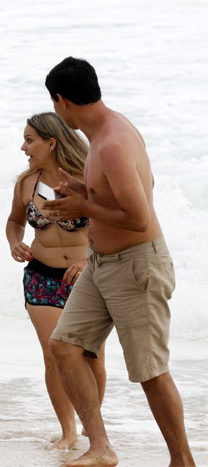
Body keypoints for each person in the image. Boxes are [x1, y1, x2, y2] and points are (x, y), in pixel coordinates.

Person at [43, 57, 195, 466]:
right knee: (65, 346)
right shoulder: (104, 134)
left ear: (62, 101)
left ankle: (183, 460)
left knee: (150, 372)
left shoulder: (111, 142)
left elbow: (139, 216)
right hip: (101, 264)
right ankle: (100, 447)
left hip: (137, 265)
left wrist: (84, 206)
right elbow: (126, 191)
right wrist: (82, 192)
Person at [6, 112, 107, 451]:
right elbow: (14, 221)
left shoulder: (86, 177)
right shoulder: (26, 183)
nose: (23, 147)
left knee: (92, 358)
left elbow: (108, 227)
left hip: (86, 279)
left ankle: (93, 429)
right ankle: (68, 431)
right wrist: (14, 241)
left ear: (51, 142)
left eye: (29, 140)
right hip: (41, 278)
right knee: (54, 356)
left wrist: (86, 259)